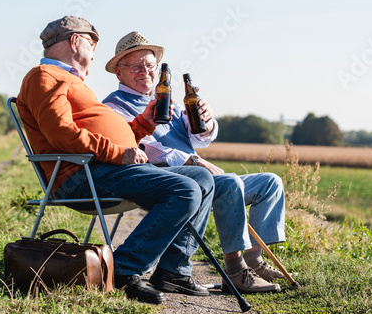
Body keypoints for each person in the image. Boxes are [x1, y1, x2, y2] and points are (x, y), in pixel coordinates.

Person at [17, 16, 215, 304]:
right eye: (91, 44)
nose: (94, 54)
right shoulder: (44, 76)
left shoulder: (71, 82)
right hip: (80, 174)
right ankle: (124, 269)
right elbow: (61, 133)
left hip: (103, 168)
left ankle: (174, 270)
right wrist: (119, 153)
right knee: (184, 189)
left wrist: (142, 126)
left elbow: (101, 132)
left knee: (202, 179)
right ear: (76, 41)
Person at [103, 31, 286, 294]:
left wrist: (207, 121)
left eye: (150, 65)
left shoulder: (171, 103)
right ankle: (234, 271)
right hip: (163, 181)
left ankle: (253, 261)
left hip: (199, 176)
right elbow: (142, 146)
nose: (145, 71)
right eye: (136, 66)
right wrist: (192, 160)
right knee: (230, 181)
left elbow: (199, 138)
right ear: (119, 73)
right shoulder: (113, 106)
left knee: (270, 182)